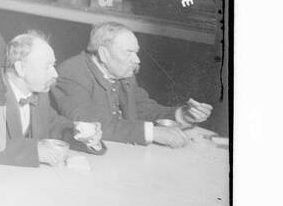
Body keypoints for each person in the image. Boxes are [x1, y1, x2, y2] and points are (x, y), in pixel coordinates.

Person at [51, 22, 211, 146]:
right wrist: (152, 133)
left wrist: (181, 114)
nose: (137, 60)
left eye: (136, 52)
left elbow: (142, 107)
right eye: (129, 53)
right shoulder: (71, 73)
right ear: (104, 54)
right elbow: (90, 125)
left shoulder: (121, 72)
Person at [0, 31, 97, 166]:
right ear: (20, 68)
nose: (55, 74)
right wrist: (35, 151)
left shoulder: (38, 91)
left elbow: (52, 123)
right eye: (47, 67)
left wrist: (80, 133)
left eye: (53, 65)